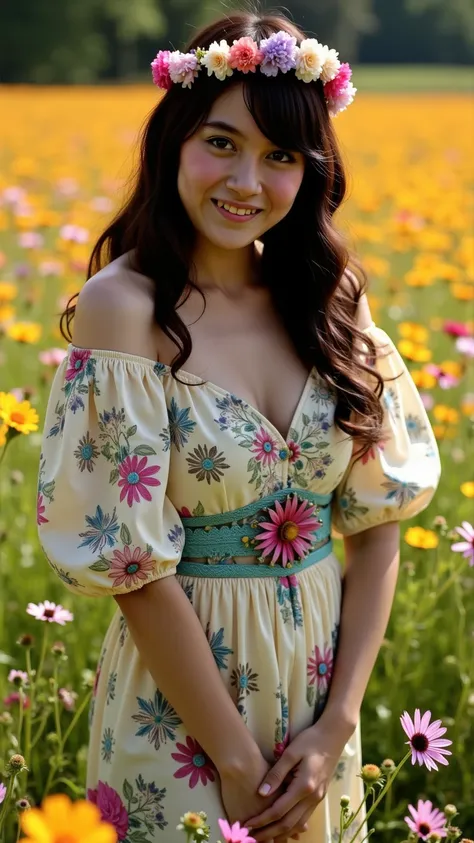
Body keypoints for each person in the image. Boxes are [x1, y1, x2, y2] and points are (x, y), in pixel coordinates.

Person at [36, 10, 441, 843]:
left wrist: (335, 729)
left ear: (310, 172)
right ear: (175, 141)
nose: (246, 180)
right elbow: (135, 569)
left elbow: (377, 522)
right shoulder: (125, 308)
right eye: (221, 143)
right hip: (181, 713)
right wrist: (233, 760)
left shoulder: (334, 303)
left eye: (280, 156)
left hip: (321, 709)